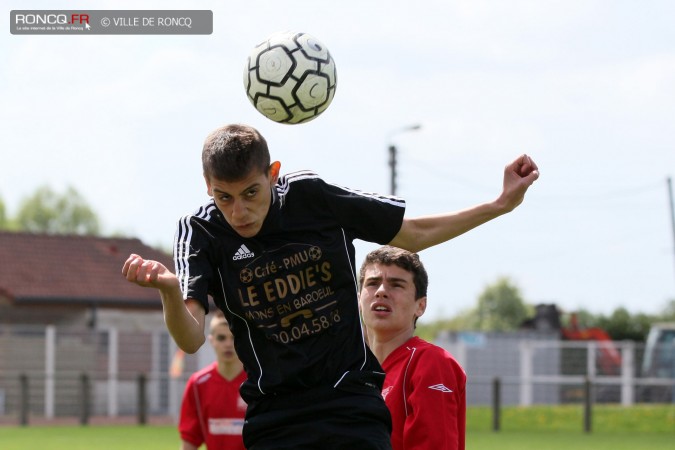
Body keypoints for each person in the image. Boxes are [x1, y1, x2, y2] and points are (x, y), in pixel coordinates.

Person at [122, 123, 538, 449]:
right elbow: (192, 338)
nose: (239, 211)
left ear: (273, 174)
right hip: (274, 417)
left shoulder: (312, 197)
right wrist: (170, 292)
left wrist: (498, 204)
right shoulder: (200, 232)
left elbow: (412, 234)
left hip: (348, 404)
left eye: (251, 192)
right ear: (206, 186)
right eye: (224, 197)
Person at [359, 246, 466, 450]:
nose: (381, 291)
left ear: (421, 306)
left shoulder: (430, 362)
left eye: (396, 285)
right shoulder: (349, 369)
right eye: (372, 283)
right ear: (358, 299)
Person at [179, 311, 247, 450]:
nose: (228, 344)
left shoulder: (258, 381)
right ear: (212, 341)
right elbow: (190, 439)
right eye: (221, 338)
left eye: (233, 337)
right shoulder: (198, 384)